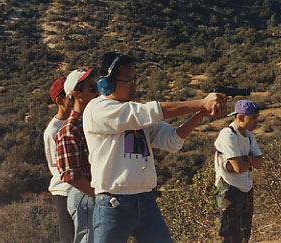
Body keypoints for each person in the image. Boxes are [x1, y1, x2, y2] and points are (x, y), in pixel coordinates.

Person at [82, 52, 228, 243]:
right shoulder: (98, 109)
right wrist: (200, 103)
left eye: (135, 79)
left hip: (145, 199)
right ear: (106, 83)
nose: (133, 85)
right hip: (113, 201)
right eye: (128, 80)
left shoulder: (134, 112)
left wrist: (200, 113)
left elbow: (171, 139)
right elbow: (148, 112)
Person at [56, 68, 98, 243]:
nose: (98, 92)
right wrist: (98, 195)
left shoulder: (93, 122)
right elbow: (71, 175)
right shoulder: (70, 129)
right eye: (92, 88)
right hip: (87, 195)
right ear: (77, 94)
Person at [214, 100, 264, 243]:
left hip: (246, 187)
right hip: (229, 189)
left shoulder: (249, 135)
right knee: (229, 235)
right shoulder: (227, 135)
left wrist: (244, 159)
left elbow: (260, 161)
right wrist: (249, 161)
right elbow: (238, 168)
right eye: (253, 117)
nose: (256, 121)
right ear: (241, 117)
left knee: (244, 234)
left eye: (256, 117)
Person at [43, 76, 74, 243]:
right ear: (60, 100)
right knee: (69, 238)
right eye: (71, 97)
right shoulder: (52, 131)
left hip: (83, 190)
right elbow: (57, 166)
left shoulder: (79, 122)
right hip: (64, 191)